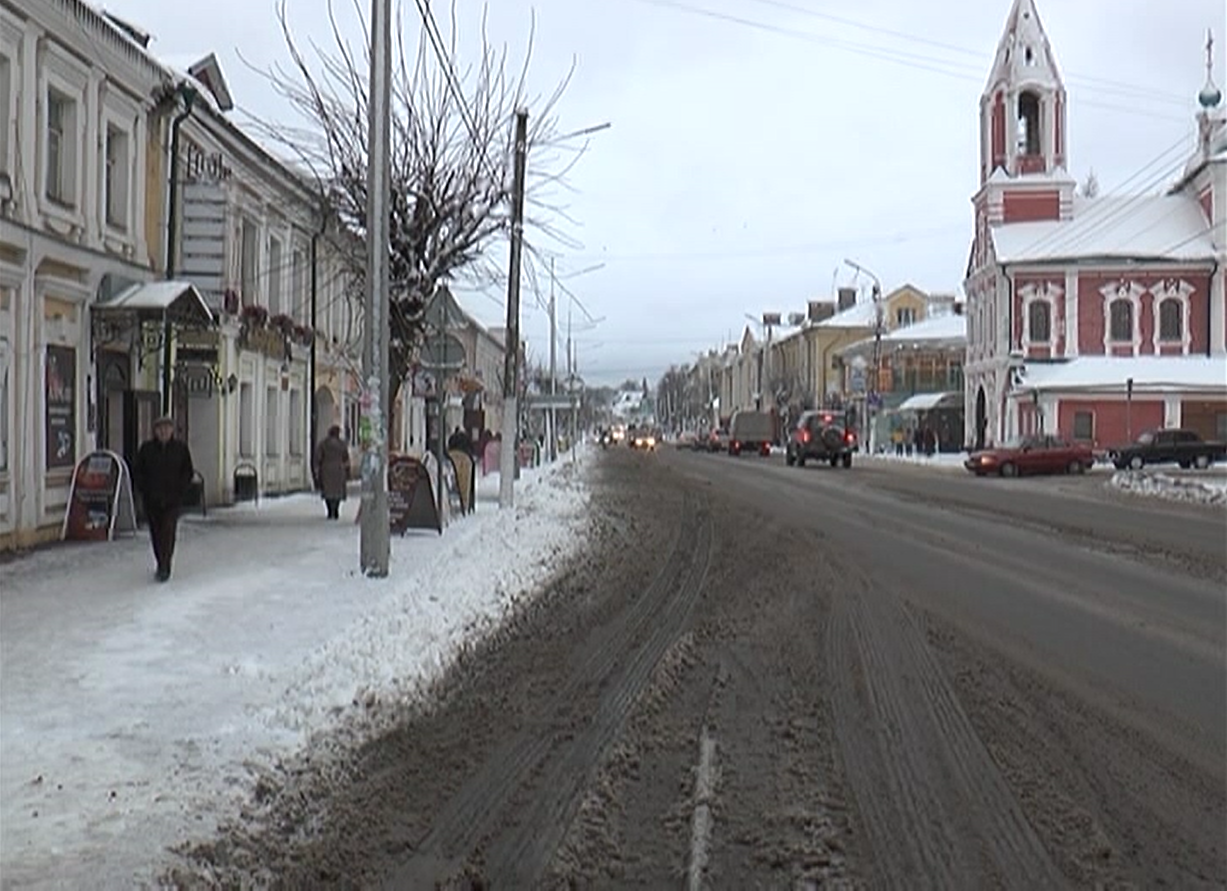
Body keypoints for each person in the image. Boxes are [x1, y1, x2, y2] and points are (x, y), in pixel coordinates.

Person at [133, 415, 194, 582]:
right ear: (155, 431)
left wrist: (180, 490)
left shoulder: (180, 449)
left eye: (167, 429)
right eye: (160, 429)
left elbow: (187, 472)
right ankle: (160, 560)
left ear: (172, 430)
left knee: (168, 531)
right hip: (152, 499)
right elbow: (138, 471)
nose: (164, 432)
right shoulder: (147, 449)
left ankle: (165, 565)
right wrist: (144, 489)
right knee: (156, 533)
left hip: (172, 499)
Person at [313, 425, 350, 520]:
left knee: (327, 491)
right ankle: (336, 510)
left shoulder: (323, 443)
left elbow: (318, 456)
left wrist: (317, 468)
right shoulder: (342, 444)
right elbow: (346, 458)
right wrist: (347, 470)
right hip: (339, 469)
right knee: (337, 492)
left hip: (326, 469)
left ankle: (330, 511)